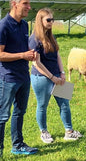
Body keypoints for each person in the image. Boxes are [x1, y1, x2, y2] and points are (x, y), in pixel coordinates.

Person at [0, 0, 38, 156]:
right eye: (25, 4)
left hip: (23, 76)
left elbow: (22, 48)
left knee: (20, 112)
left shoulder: (24, 25)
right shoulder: (3, 26)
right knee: (3, 115)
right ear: (14, 4)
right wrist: (22, 55)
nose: (29, 7)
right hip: (8, 78)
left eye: (28, 4)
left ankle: (17, 145)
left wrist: (30, 53)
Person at [29, 8, 83, 143]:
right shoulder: (34, 39)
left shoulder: (51, 36)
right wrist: (52, 77)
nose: (51, 22)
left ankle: (69, 132)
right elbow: (37, 64)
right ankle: (44, 132)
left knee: (65, 104)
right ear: (40, 21)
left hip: (57, 76)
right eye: (48, 20)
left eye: (52, 19)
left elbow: (57, 55)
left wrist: (62, 73)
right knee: (42, 105)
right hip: (41, 78)